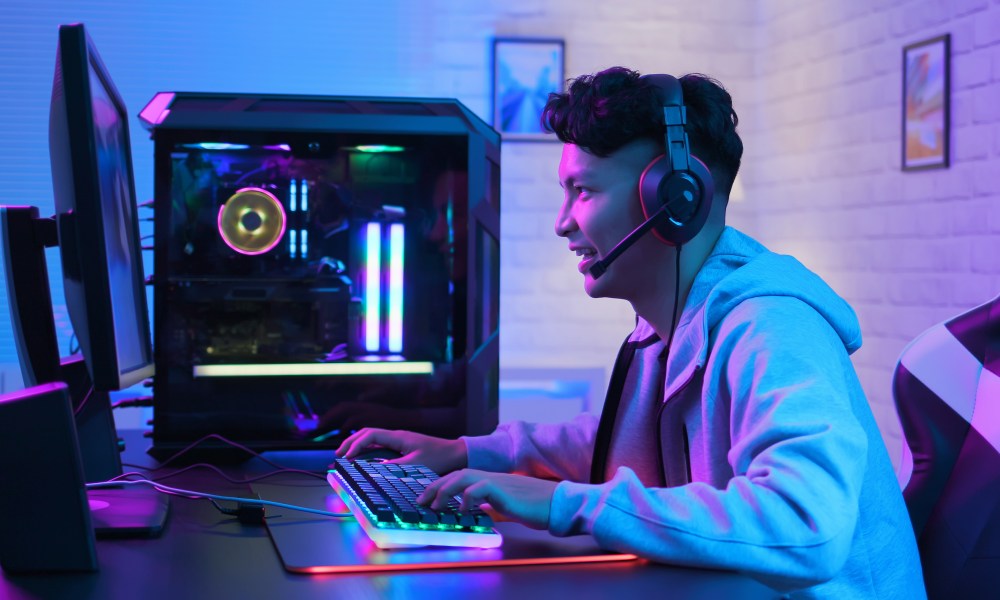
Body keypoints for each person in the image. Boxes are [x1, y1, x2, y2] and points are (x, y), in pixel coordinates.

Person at [336, 67, 925, 598]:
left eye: (583, 191)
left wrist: (560, 503)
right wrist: (467, 452)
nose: (563, 223)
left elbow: (806, 525)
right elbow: (620, 437)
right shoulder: (674, 322)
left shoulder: (771, 327)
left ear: (675, 199)